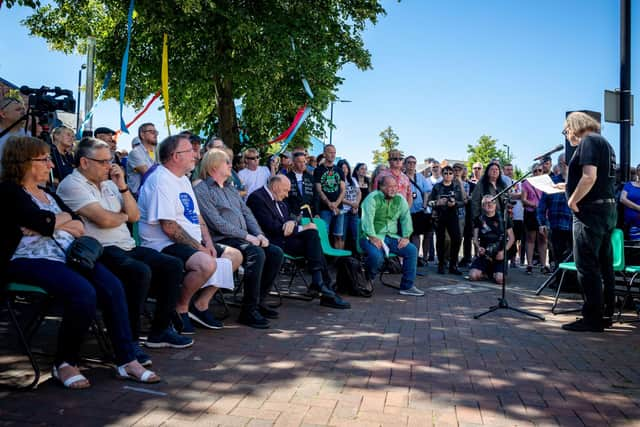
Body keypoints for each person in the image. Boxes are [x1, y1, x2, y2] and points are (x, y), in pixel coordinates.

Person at [0, 136, 159, 388]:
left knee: (113, 285)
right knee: (83, 292)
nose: (51, 165)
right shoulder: (8, 192)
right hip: (28, 260)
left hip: (65, 256)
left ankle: (126, 359)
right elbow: (44, 222)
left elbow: (76, 224)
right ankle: (65, 362)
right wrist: (51, 222)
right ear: (24, 163)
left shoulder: (48, 194)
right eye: (44, 160)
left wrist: (51, 222)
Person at [57, 138, 193, 351]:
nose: (109, 166)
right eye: (102, 161)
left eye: (110, 160)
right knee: (139, 272)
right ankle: (130, 340)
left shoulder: (111, 184)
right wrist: (121, 216)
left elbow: (135, 215)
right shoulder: (71, 185)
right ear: (84, 162)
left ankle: (160, 331)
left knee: (172, 265)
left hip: (126, 245)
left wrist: (122, 187)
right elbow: (104, 220)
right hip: (99, 249)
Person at [138, 135, 241, 333]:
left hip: (191, 242)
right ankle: (181, 307)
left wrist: (209, 242)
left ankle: (200, 304)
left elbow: (197, 216)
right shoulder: (160, 180)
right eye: (190, 151)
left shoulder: (183, 179)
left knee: (234, 255)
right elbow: (169, 227)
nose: (196, 155)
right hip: (162, 244)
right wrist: (201, 248)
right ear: (176, 156)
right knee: (206, 262)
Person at [194, 149, 283, 329]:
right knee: (256, 253)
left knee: (275, 252)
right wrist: (247, 236)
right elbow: (216, 222)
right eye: (226, 162)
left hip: (242, 238)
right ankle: (248, 311)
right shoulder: (202, 189)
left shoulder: (230, 188)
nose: (230, 165)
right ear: (213, 166)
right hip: (222, 239)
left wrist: (259, 234)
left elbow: (247, 212)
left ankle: (258, 302)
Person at [247, 175, 350, 309]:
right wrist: (300, 227)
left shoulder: (280, 201)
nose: (287, 194)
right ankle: (322, 287)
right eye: (285, 190)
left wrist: (293, 222)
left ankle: (320, 283)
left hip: (286, 239)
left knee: (312, 236)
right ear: (276, 187)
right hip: (271, 242)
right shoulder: (257, 198)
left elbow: (289, 219)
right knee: (312, 239)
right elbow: (270, 227)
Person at [561, 111, 617, 332]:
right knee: (604, 265)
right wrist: (564, 188)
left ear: (574, 126)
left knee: (587, 265)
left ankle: (592, 317)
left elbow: (589, 176)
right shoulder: (605, 143)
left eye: (566, 130)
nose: (567, 135)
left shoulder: (589, 141)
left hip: (590, 212)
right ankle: (605, 314)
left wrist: (572, 200)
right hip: (606, 210)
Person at [360, 175, 423, 296]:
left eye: (395, 186)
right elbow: (366, 220)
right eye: (389, 186)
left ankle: (407, 286)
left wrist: (405, 237)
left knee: (411, 250)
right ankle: (368, 278)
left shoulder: (400, 199)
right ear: (381, 187)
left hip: (391, 236)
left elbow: (406, 218)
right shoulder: (372, 198)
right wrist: (373, 237)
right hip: (370, 236)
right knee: (377, 257)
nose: (393, 189)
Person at [469, 196, 515, 285]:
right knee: (473, 276)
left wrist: (503, 252)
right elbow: (475, 238)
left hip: (499, 254)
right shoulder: (479, 219)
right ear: (482, 206)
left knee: (499, 280)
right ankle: (487, 272)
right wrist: (478, 247)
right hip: (485, 254)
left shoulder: (504, 218)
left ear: (495, 205)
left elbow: (512, 238)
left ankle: (494, 273)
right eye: (486, 203)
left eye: (491, 202)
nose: (489, 205)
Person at [537, 154, 572, 270]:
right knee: (558, 256)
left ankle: (570, 283)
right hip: (556, 225)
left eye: (566, 162)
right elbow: (542, 205)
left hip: (573, 226)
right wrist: (542, 222)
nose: (564, 165)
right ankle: (558, 281)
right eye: (561, 163)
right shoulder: (552, 182)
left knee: (572, 257)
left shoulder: (577, 181)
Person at [428, 165, 464, 275]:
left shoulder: (456, 186)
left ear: (453, 175)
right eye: (445, 173)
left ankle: (453, 264)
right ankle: (441, 264)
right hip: (440, 216)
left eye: (450, 173)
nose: (448, 175)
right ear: (442, 174)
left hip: (453, 215)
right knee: (440, 240)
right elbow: (429, 202)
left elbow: (462, 202)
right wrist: (437, 203)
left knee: (457, 239)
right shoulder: (437, 187)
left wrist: (454, 203)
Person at [313, 144, 346, 249]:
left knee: (339, 236)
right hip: (324, 208)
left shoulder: (339, 170)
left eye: (334, 153)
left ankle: (338, 262)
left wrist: (336, 204)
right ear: (324, 154)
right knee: (323, 235)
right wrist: (329, 203)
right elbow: (318, 189)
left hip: (339, 208)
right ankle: (322, 262)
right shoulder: (318, 170)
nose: (332, 155)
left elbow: (343, 189)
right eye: (330, 152)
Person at [404, 155, 433, 266]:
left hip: (419, 210)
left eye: (414, 163)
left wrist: (425, 205)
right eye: (409, 162)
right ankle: (409, 258)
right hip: (406, 211)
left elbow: (426, 191)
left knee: (418, 234)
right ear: (405, 164)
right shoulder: (401, 177)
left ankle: (417, 258)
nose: (411, 165)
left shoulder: (420, 177)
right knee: (408, 235)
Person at [521, 165, 549, 274]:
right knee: (530, 238)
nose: (537, 172)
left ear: (543, 172)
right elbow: (523, 200)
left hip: (543, 214)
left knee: (543, 239)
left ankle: (543, 265)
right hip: (531, 213)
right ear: (532, 172)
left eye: (540, 170)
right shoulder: (526, 183)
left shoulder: (546, 183)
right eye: (535, 170)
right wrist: (535, 205)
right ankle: (529, 264)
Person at [126, 122, 158, 197]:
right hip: (139, 196)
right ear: (142, 135)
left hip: (154, 193)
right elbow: (150, 175)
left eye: (156, 132)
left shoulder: (158, 152)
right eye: (152, 132)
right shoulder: (135, 153)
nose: (156, 134)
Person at [337, 159, 361, 250]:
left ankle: (357, 255)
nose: (345, 170)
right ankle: (342, 257)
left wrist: (356, 204)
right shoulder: (338, 181)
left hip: (354, 211)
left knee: (356, 234)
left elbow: (359, 193)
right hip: (343, 211)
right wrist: (351, 204)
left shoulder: (353, 180)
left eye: (346, 167)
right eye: (342, 168)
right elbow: (338, 197)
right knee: (342, 235)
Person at [0, 96, 28, 172]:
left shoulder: (28, 135)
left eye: (23, 109)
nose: (23, 112)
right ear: (3, 114)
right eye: (18, 109)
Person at [286, 151, 315, 216]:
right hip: (293, 214)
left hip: (309, 214)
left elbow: (316, 196)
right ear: (293, 163)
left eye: (304, 161)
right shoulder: (287, 177)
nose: (302, 164)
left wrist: (317, 213)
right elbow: (284, 198)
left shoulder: (310, 178)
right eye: (299, 162)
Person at [620, 163, 640, 240]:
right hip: (631, 225)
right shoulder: (629, 185)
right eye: (639, 170)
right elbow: (622, 199)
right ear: (637, 172)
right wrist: (638, 208)